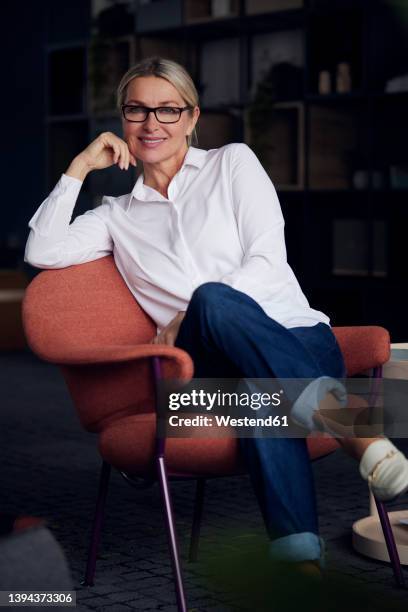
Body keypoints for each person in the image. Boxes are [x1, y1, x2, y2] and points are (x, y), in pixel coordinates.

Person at [24, 56, 408, 576]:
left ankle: (300, 570)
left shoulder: (234, 163)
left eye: (167, 110)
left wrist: (188, 314)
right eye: (137, 110)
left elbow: (267, 261)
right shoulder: (115, 216)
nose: (152, 123)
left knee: (251, 378)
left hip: (295, 336)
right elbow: (42, 250)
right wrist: (79, 167)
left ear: (191, 116)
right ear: (122, 119)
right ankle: (354, 428)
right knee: (213, 308)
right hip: (200, 374)